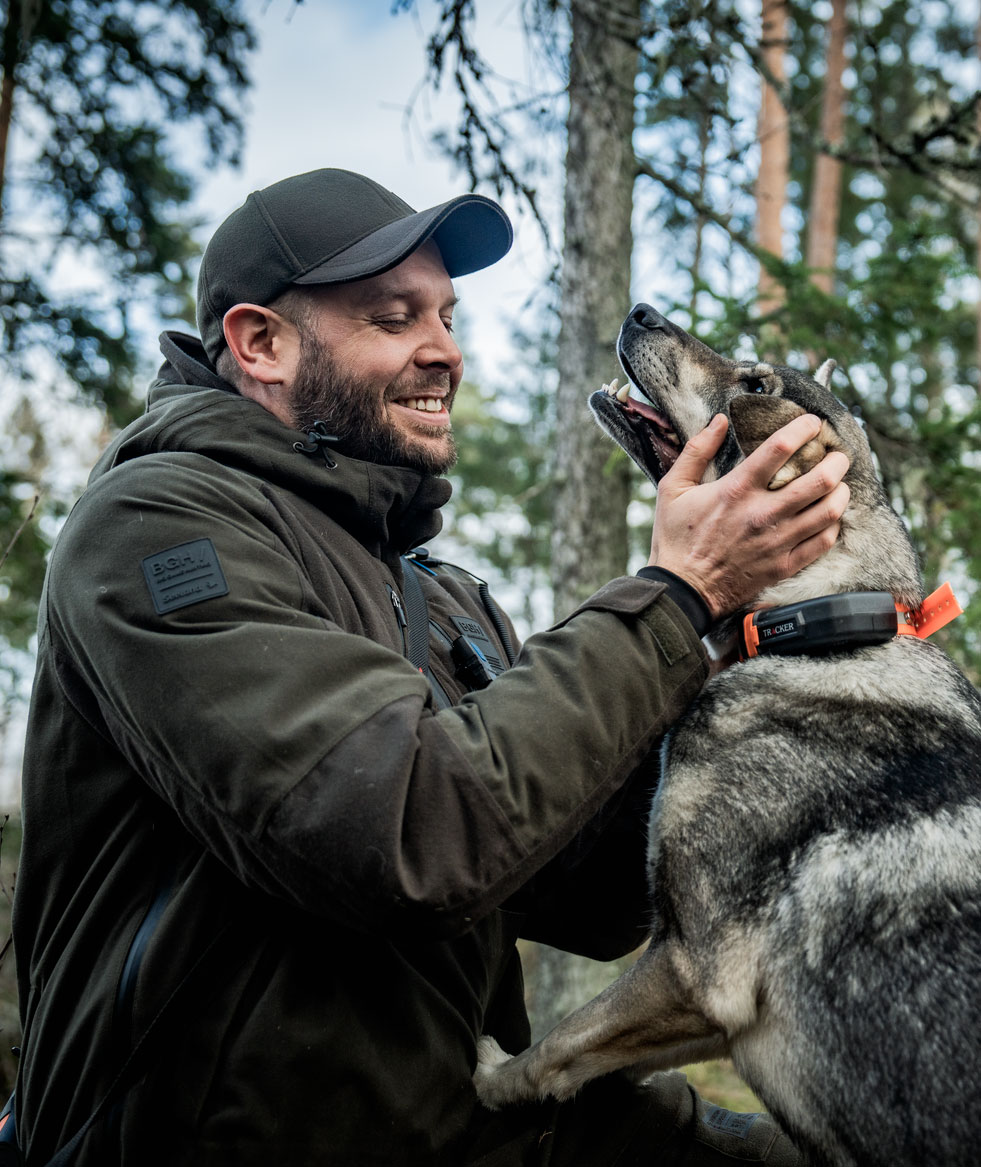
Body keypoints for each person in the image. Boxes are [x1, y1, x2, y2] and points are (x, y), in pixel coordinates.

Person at [11, 168, 849, 1167]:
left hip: (478, 1122)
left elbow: (589, 900)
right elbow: (411, 837)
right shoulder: (156, 525)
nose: (445, 349)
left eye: (447, 315)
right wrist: (675, 596)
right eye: (393, 316)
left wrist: (722, 640)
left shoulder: (445, 598)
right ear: (261, 343)